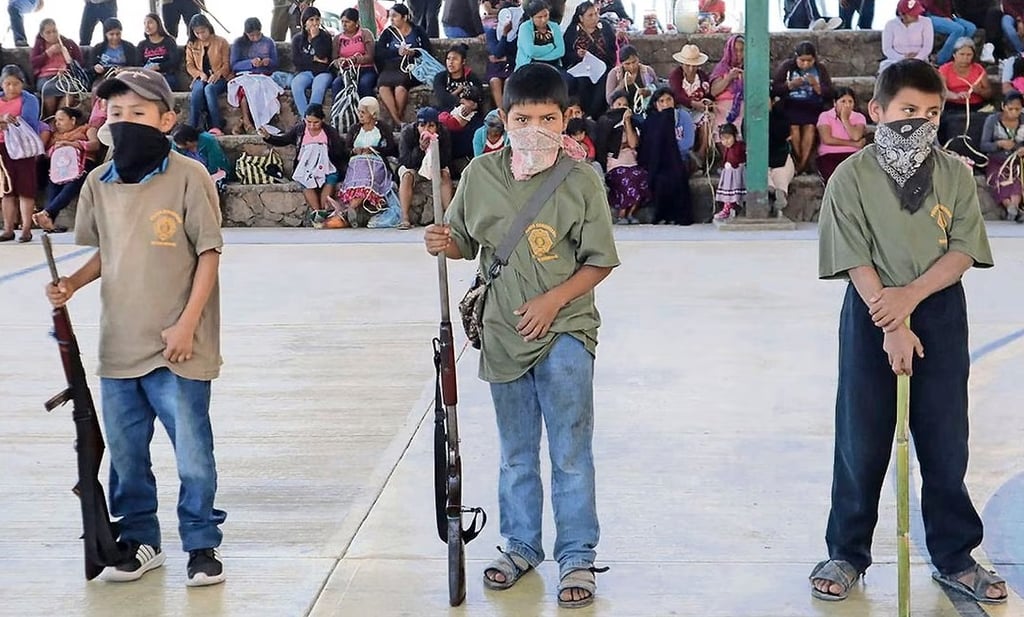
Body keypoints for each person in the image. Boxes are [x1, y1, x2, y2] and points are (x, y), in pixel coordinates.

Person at [423, 61, 618, 610]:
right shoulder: (479, 176)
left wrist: (553, 300)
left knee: (570, 450)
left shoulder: (582, 181)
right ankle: (521, 544)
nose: (534, 128)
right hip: (504, 333)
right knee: (515, 453)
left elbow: (600, 261)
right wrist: (443, 241)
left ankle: (577, 554)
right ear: (504, 119)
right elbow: (464, 241)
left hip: (566, 331)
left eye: (547, 118)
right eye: (523, 117)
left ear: (566, 120)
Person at [811, 58, 1006, 606]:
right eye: (907, 111)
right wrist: (890, 318)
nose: (919, 122)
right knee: (861, 435)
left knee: (946, 438)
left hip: (939, 311)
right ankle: (846, 552)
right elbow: (853, 255)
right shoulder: (849, 177)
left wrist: (910, 300)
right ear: (876, 112)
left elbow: (964, 249)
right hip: (870, 312)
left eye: (931, 112)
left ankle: (955, 555)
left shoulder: (954, 175)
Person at [45, 67, 227, 586]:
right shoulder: (99, 183)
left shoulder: (189, 176)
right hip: (118, 344)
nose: (125, 122)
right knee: (125, 457)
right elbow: (109, 252)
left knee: (193, 454)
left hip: (179, 346)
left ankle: (200, 543)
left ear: (167, 119)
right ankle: (141, 540)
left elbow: (210, 253)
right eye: (116, 113)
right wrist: (72, 285)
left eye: (138, 113)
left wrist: (187, 325)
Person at [260, 103, 346, 220]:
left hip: (327, 166)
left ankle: (324, 210)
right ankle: (317, 213)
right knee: (305, 181)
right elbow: (284, 140)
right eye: (308, 122)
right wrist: (268, 137)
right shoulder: (299, 130)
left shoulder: (330, 132)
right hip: (306, 167)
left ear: (322, 120)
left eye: (316, 122)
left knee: (331, 178)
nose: (311, 126)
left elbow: (339, 151)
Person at [0, 64, 49, 243]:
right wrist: (3, 120)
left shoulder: (29, 99)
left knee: (26, 190)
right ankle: (8, 229)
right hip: (2, 148)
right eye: (7, 84)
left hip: (23, 149)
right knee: (7, 190)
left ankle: (26, 229)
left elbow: (27, 121)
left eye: (15, 84)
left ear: (22, 84)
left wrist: (7, 122)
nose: (11, 88)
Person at [35, 105, 101, 233]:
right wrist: (55, 148)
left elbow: (95, 145)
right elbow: (47, 154)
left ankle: (47, 213)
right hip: (60, 168)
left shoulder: (86, 129)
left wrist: (73, 144)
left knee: (73, 183)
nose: (57, 123)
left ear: (73, 120)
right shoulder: (55, 136)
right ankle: (49, 219)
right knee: (53, 183)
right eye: (56, 120)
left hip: (83, 164)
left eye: (61, 119)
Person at [772, 40, 833, 175]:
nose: (805, 64)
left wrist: (816, 86)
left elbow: (829, 92)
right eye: (802, 60)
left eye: (809, 61)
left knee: (810, 128)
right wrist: (790, 86)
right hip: (791, 104)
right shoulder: (787, 66)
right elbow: (775, 88)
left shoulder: (820, 69)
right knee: (794, 127)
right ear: (796, 57)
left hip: (812, 105)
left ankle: (801, 165)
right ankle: (800, 162)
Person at [638, 86, 694, 225]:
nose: (665, 104)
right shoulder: (651, 121)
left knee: (677, 177)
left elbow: (688, 142)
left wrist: (671, 148)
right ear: (655, 104)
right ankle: (662, 215)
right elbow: (649, 147)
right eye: (661, 101)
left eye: (669, 100)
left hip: (681, 158)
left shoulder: (683, 116)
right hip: (658, 162)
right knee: (660, 180)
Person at [397, 106, 453, 229]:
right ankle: (405, 217)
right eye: (422, 126)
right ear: (417, 126)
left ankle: (449, 217)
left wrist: (434, 147)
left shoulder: (443, 133)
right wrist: (421, 149)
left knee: (445, 175)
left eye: (431, 126)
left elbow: (446, 160)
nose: (426, 129)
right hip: (413, 166)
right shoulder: (408, 133)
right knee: (406, 176)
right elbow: (406, 161)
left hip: (436, 165)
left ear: (437, 126)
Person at [980, 90, 1024, 222]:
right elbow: (983, 145)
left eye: (1018, 109)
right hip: (997, 160)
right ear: (1003, 106)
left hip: (1018, 160)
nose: (1014, 113)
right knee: (998, 178)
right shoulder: (992, 120)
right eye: (1011, 109)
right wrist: (999, 144)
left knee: (1016, 178)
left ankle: (1014, 208)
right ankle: (1012, 208)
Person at [185, 14, 231, 133]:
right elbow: (189, 65)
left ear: (209, 28)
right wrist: (199, 74)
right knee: (198, 90)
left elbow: (227, 64)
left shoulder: (221, 42)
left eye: (203, 31)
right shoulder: (191, 44)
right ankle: (192, 127)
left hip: (219, 79)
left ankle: (216, 127)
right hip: (201, 78)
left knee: (209, 89)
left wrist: (218, 73)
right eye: (197, 33)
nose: (201, 35)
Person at [816, 86, 867, 184]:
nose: (847, 105)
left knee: (856, 181)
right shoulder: (825, 116)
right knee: (835, 180)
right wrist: (854, 144)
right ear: (835, 103)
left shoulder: (859, 117)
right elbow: (827, 139)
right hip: (829, 155)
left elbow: (856, 136)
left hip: (853, 156)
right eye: (843, 101)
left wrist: (845, 119)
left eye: (850, 102)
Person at [290, 6, 334, 118]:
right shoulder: (297, 39)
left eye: (317, 19)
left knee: (318, 87)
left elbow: (322, 55)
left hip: (323, 72)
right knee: (296, 85)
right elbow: (297, 61)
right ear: (305, 22)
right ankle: (306, 119)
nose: (315, 23)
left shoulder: (325, 37)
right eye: (311, 20)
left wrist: (315, 38)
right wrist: (313, 59)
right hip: (305, 72)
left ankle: (314, 117)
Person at [879, 0, 933, 74]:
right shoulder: (891, 25)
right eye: (913, 13)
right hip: (896, 60)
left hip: (920, 59)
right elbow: (887, 49)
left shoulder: (926, 22)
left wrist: (916, 58)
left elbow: (927, 47)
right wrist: (903, 58)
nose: (916, 15)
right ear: (902, 14)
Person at [921, 0, 978, 66]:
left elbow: (951, 8)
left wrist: (952, 16)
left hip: (949, 16)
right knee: (958, 29)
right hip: (930, 16)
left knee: (971, 28)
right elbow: (927, 6)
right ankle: (939, 59)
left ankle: (957, 55)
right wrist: (943, 16)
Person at [515, 0, 565, 69]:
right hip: (530, 66)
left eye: (546, 15)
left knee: (568, 79)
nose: (544, 20)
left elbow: (560, 51)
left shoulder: (554, 26)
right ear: (531, 17)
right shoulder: (525, 27)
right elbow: (531, 51)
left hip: (553, 65)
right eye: (539, 17)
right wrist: (550, 46)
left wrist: (539, 57)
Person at [138, 12, 181, 90]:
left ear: (158, 24)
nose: (147, 26)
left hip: (166, 75)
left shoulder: (169, 41)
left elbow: (174, 61)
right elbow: (138, 63)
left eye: (150, 22)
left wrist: (158, 67)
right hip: (147, 75)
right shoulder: (142, 44)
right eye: (145, 23)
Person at [713, 122, 745, 220]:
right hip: (729, 174)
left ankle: (730, 208)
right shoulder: (728, 148)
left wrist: (732, 165)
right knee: (729, 193)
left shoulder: (739, 146)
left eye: (728, 138)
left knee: (733, 193)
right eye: (722, 139)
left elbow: (737, 160)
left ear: (735, 136)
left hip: (736, 174)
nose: (725, 141)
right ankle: (729, 208)